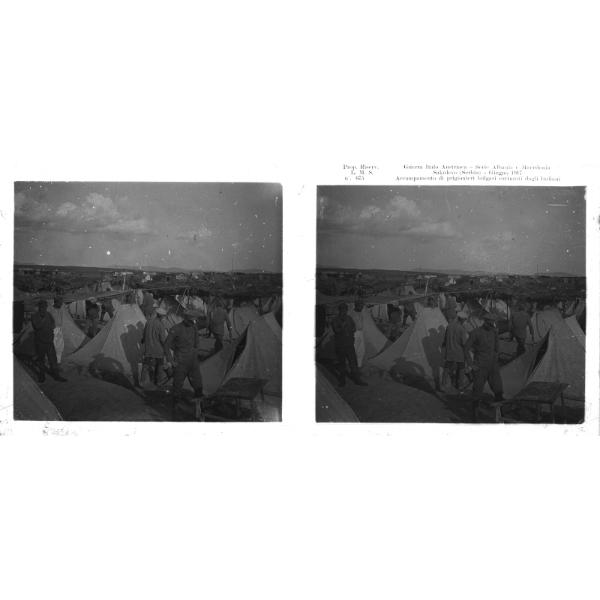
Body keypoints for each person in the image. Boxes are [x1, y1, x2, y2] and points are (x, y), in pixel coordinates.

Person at [164, 309, 204, 412]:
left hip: (193, 362)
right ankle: (175, 407)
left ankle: (200, 408)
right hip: (180, 363)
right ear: (186, 319)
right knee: (177, 386)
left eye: (194, 321)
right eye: (191, 321)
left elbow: (197, 343)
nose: (193, 323)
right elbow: (166, 345)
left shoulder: (194, 327)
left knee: (198, 384)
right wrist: (171, 361)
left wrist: (194, 354)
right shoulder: (176, 329)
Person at [465, 313, 504, 403]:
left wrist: (496, 359)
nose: (492, 325)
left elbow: (497, 348)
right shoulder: (476, 332)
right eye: (490, 323)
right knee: (477, 391)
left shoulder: (493, 332)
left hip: (492, 366)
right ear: (485, 322)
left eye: (493, 323)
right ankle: (475, 409)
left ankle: (499, 408)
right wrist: (471, 364)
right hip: (480, 366)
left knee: (498, 389)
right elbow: (466, 349)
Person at [331, 303, 367, 387]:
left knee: (353, 363)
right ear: (339, 310)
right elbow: (336, 330)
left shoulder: (349, 318)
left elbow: (354, 327)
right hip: (340, 345)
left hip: (349, 344)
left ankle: (357, 379)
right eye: (342, 309)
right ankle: (342, 380)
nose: (344, 311)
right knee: (342, 364)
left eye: (345, 309)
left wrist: (352, 329)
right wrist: (343, 326)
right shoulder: (335, 319)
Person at [31, 300, 67, 383]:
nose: (44, 308)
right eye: (42, 307)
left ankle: (56, 375)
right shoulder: (34, 316)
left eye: (45, 307)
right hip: (40, 342)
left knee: (53, 360)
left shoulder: (48, 314)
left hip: (49, 341)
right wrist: (43, 320)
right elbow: (37, 326)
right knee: (41, 360)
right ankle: (42, 376)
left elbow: (53, 324)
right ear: (39, 307)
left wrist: (50, 329)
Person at [141, 306, 168, 387]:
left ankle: (142, 382)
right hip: (158, 349)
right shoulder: (160, 325)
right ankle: (158, 381)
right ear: (162, 316)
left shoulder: (148, 322)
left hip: (148, 348)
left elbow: (144, 335)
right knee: (159, 365)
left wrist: (144, 341)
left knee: (146, 365)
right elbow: (162, 339)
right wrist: (166, 348)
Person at [441, 311, 469, 391]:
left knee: (446, 368)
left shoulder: (449, 326)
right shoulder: (462, 329)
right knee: (461, 368)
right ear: (462, 319)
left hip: (449, 351)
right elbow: (464, 343)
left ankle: (443, 385)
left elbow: (445, 340)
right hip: (459, 353)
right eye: (464, 320)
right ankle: (460, 385)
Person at [349, 299, 366, 367]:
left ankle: (359, 365)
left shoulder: (361, 313)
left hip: (360, 332)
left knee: (361, 350)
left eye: (362, 306)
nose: (362, 308)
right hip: (354, 333)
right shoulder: (351, 313)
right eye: (361, 306)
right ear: (356, 305)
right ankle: (352, 365)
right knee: (354, 349)